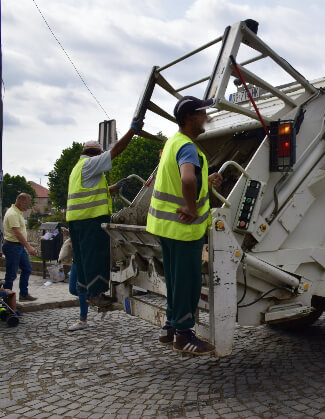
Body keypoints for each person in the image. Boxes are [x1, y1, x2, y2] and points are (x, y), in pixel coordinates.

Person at [146, 95, 222, 355]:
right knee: (187, 282)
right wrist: (191, 207)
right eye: (202, 113)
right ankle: (183, 335)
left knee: (176, 281)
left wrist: (207, 180)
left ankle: (169, 328)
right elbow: (187, 179)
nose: (206, 117)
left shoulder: (173, 143)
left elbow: (188, 179)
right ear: (191, 117)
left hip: (166, 228)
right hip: (184, 229)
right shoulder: (188, 147)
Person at [66, 118, 143, 307]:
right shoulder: (91, 164)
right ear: (96, 154)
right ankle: (96, 293)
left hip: (77, 221)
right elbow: (115, 151)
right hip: (90, 219)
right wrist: (132, 131)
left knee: (84, 257)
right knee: (97, 255)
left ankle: (87, 290)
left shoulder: (78, 168)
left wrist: (114, 187)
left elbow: (90, 192)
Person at [2, 193, 38, 301]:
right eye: (26, 204)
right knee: (11, 274)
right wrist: (29, 247)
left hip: (19, 246)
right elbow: (17, 233)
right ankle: (7, 299)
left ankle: (23, 294)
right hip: (12, 246)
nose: (28, 207)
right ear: (20, 202)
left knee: (27, 269)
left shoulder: (18, 212)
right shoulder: (13, 214)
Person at [58, 227, 88, 330]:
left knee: (81, 288)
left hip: (84, 259)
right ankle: (91, 296)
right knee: (73, 289)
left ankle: (83, 320)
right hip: (76, 259)